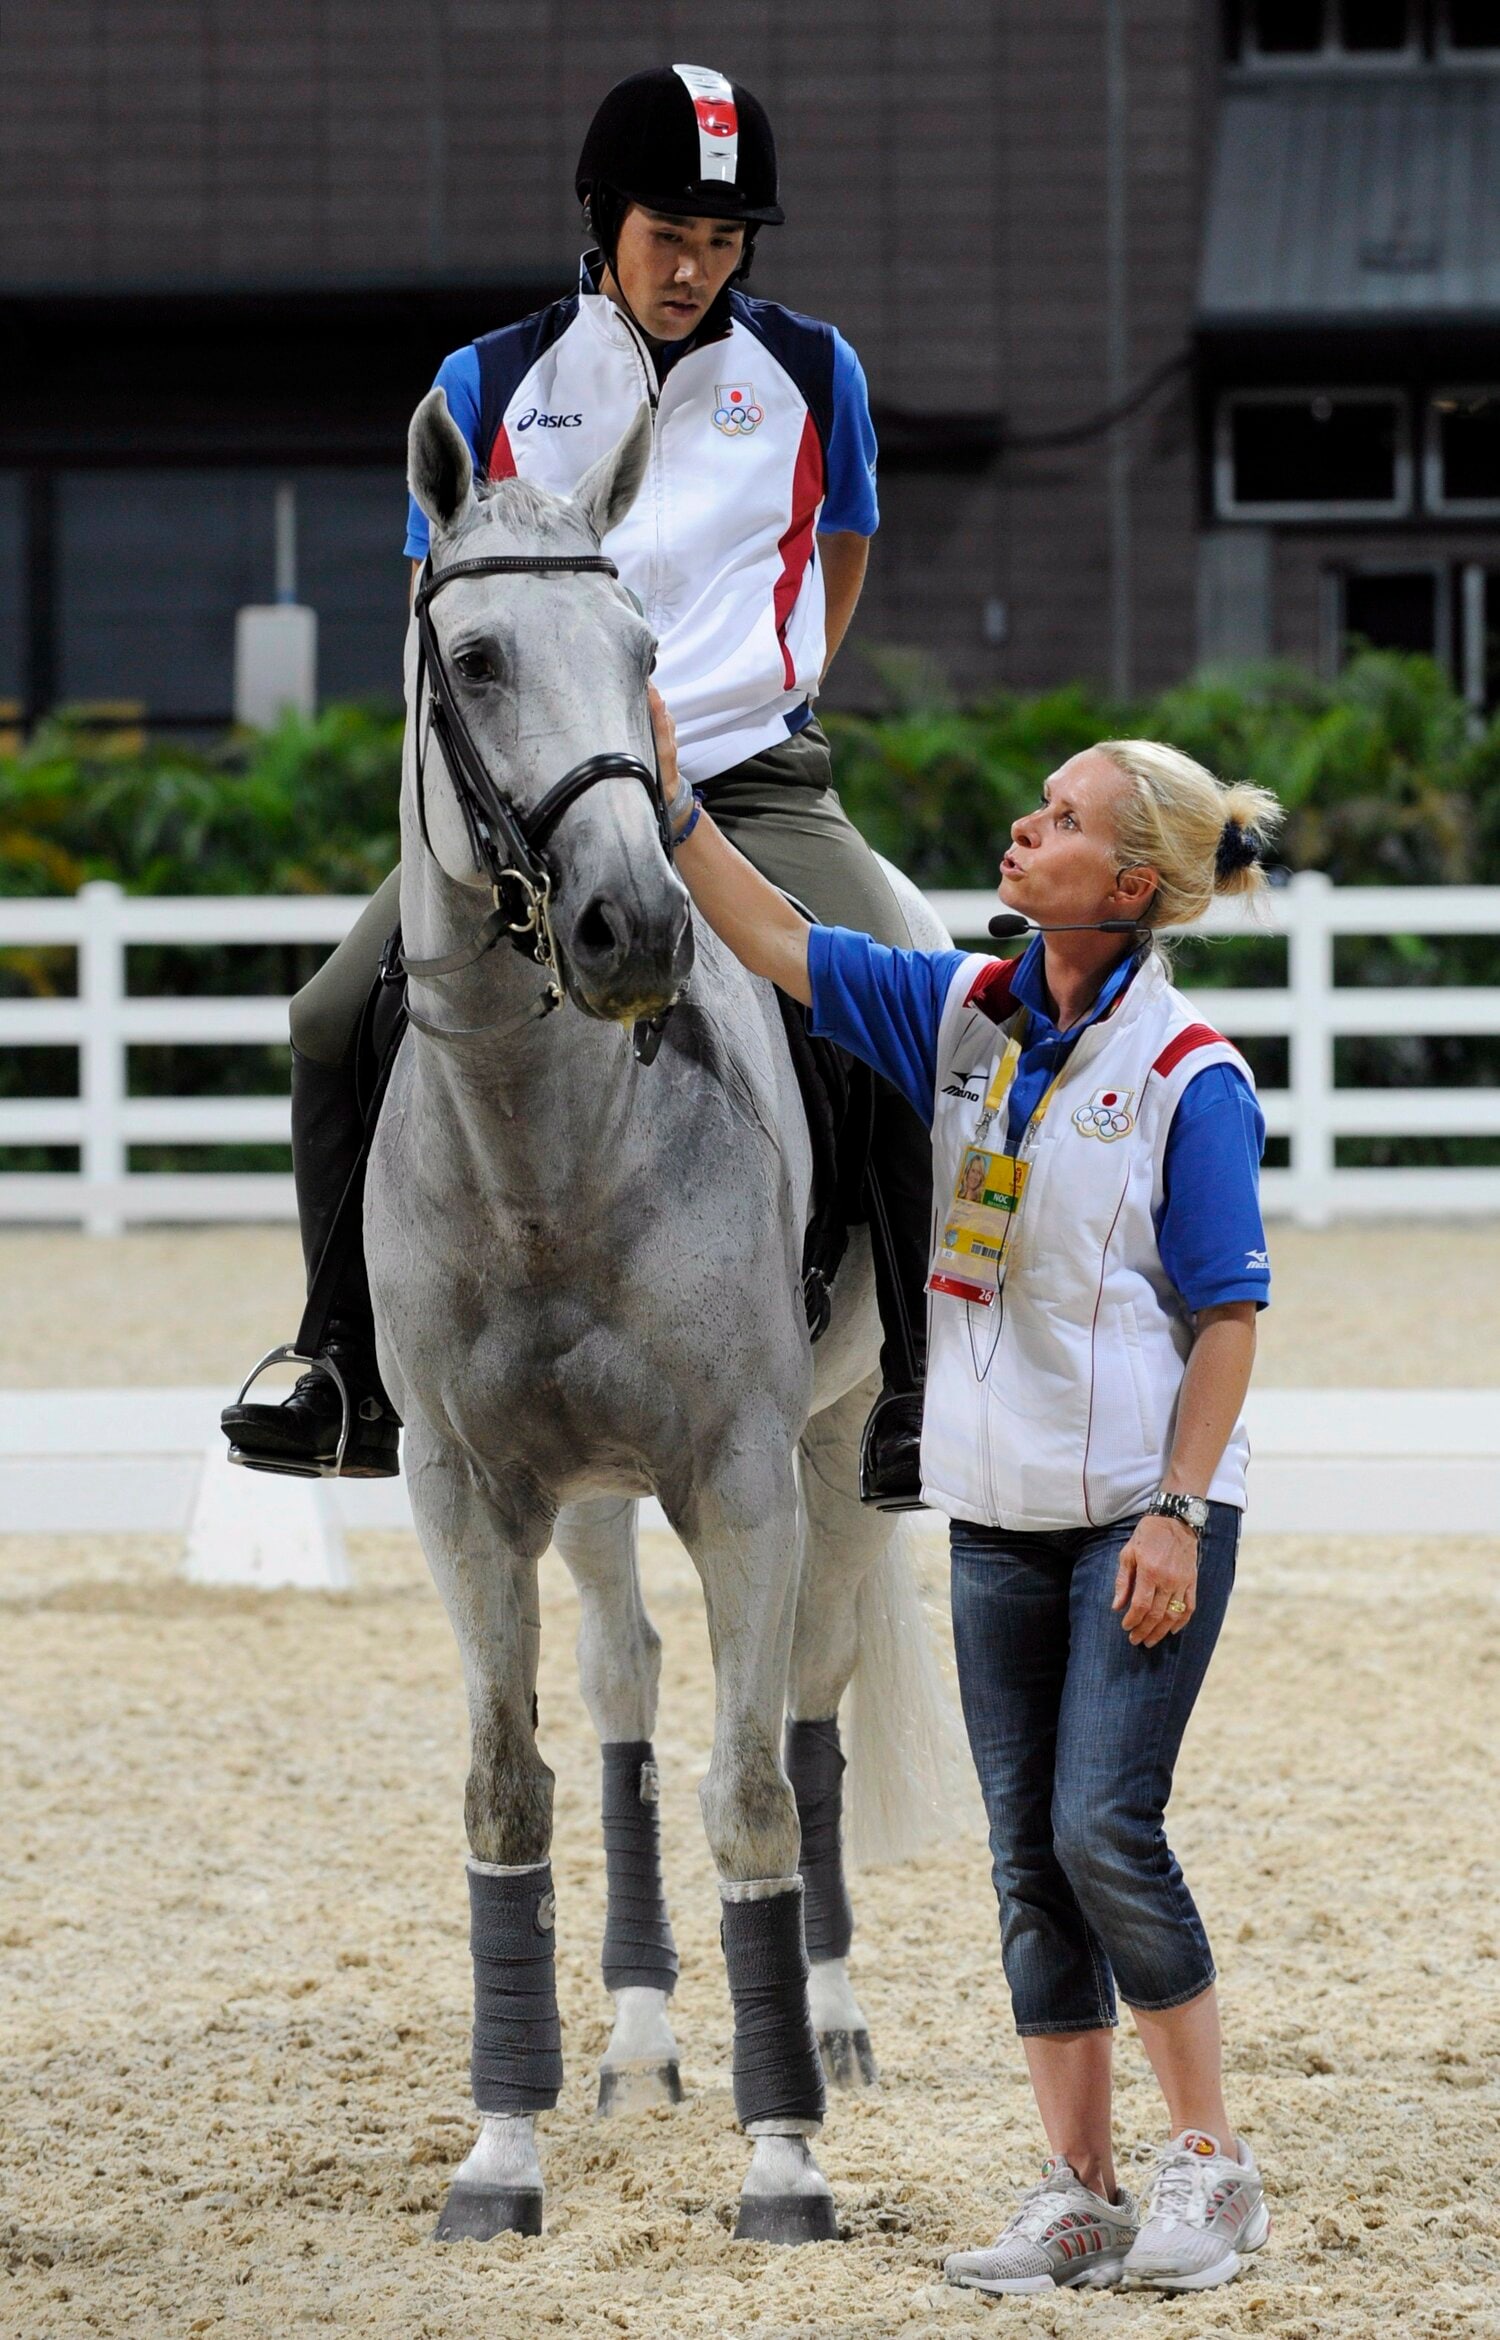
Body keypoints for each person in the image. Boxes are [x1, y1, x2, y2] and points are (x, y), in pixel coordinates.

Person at [221, 61, 932, 1503]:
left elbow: (839, 555)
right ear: (603, 220)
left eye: (723, 242)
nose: (694, 269)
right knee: (331, 1015)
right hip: (541, 802)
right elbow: (442, 617)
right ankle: (343, 1359)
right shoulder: (491, 382)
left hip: (748, 784)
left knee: (891, 989)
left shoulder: (817, 374)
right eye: (669, 235)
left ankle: (919, 1380)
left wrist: (761, 691)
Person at [652, 685, 1282, 2297]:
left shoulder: (1191, 1076)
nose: (1023, 828)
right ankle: (1079, 2190)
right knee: (1028, 1864)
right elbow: (777, 940)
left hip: (1140, 1519)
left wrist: (1179, 1512)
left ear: (1128, 883)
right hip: (996, 1517)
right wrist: (667, 800)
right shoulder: (963, 1013)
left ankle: (1210, 2166)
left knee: (1103, 1830)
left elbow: (1228, 1315)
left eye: (1059, 819)